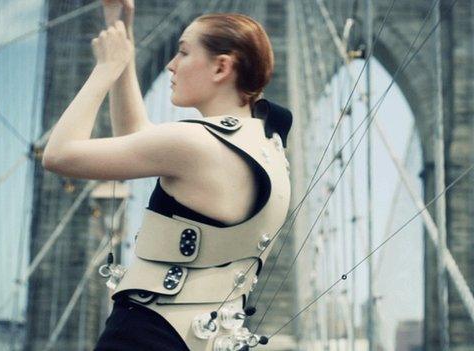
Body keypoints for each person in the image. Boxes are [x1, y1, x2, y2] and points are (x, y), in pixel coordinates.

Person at [42, 0, 292, 349]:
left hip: (145, 332)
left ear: (221, 67)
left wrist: (105, 68)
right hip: (205, 338)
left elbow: (58, 154)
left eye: (184, 53)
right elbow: (138, 137)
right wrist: (124, 36)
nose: (171, 66)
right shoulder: (269, 147)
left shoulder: (192, 142)